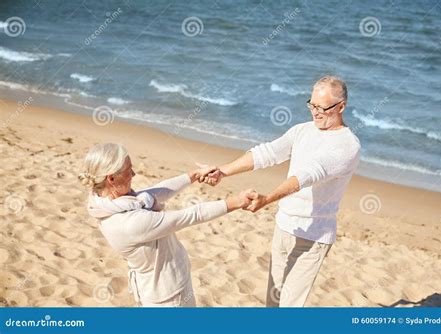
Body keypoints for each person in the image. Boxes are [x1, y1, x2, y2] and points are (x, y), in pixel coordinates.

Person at [200, 75, 361, 307]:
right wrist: (223, 171)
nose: (315, 112)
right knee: (272, 303)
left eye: (322, 108)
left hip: (312, 237)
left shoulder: (347, 146)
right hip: (283, 226)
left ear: (341, 107)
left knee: (288, 308)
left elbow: (308, 175)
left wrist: (267, 199)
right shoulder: (303, 130)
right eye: (312, 105)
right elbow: (268, 153)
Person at [79, 143, 255, 307]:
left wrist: (195, 175)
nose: (134, 174)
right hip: (169, 297)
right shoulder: (130, 223)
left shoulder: (107, 202)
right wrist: (237, 201)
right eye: (128, 170)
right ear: (111, 178)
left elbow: (155, 193)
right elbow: (192, 215)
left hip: (160, 289)